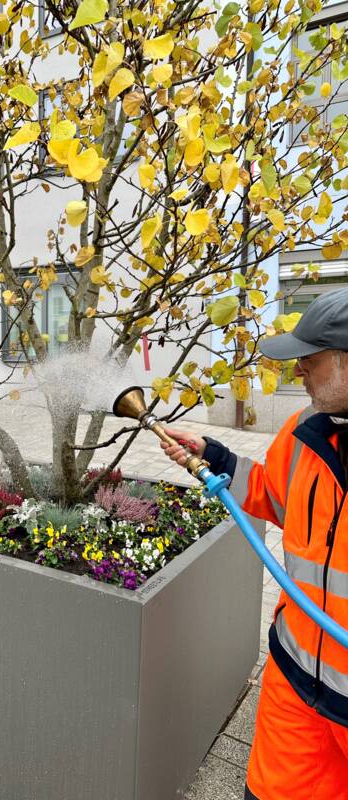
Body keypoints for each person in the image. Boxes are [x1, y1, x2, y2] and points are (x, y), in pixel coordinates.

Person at [160, 286, 348, 800]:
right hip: (295, 676)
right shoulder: (306, 429)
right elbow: (273, 495)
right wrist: (216, 460)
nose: (297, 370)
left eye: (310, 359)